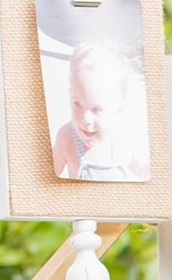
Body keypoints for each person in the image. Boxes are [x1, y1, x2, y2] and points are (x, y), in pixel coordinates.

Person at [51, 42, 147, 181]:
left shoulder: (125, 138)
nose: (86, 119)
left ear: (118, 110)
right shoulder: (67, 138)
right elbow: (46, 173)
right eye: (77, 104)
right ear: (70, 94)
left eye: (96, 109)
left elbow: (145, 170)